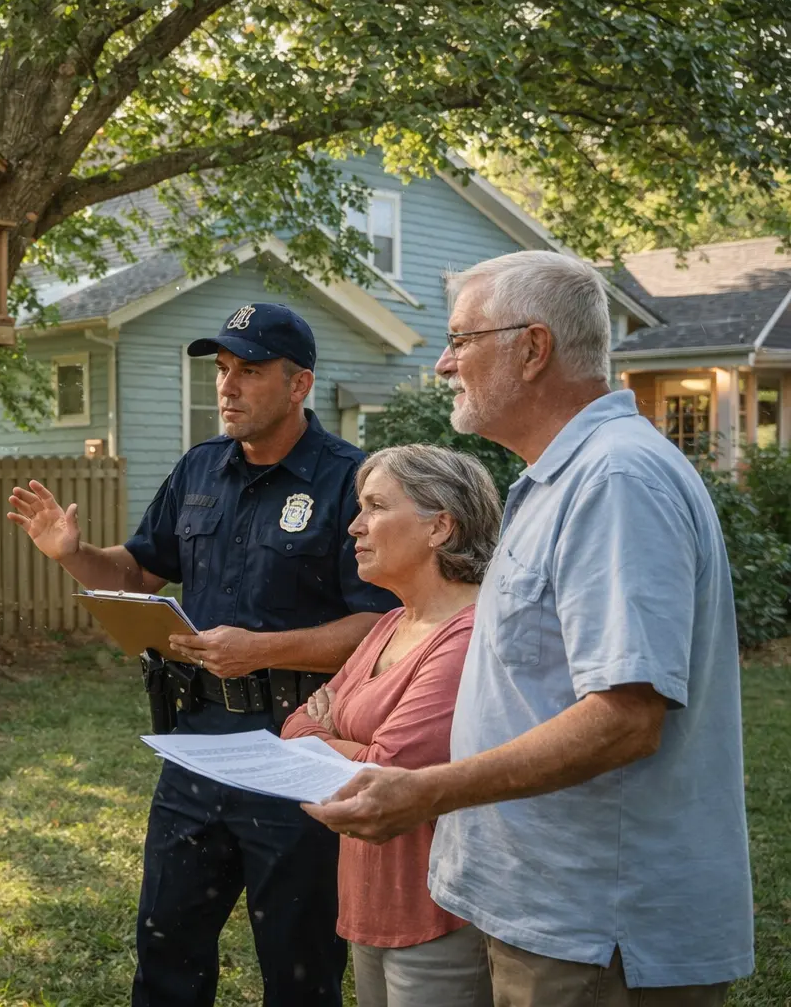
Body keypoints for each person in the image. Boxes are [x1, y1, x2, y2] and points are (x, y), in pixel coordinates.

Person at [306, 251, 754, 1006]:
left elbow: (625, 721)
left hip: (596, 929)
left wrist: (425, 792)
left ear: (533, 347)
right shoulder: (561, 477)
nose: (444, 363)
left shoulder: (615, 480)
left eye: (461, 340)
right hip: (550, 916)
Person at [8, 302, 399, 1007]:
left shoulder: (350, 481)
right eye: (222, 370)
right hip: (195, 749)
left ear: (298, 384)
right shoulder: (197, 470)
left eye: (248, 371)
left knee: (299, 965)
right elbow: (135, 576)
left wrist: (261, 651)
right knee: (166, 952)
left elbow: (382, 624)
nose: (226, 387)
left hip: (299, 751)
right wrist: (74, 556)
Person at [281, 444, 501, 1007]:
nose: (355, 525)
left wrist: (327, 733)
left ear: (440, 527)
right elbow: (293, 726)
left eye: (376, 506)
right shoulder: (390, 624)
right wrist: (340, 739)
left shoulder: (467, 634)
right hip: (370, 897)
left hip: (437, 907)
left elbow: (387, 773)